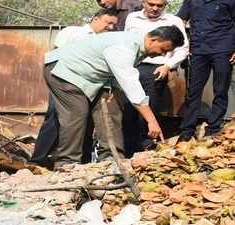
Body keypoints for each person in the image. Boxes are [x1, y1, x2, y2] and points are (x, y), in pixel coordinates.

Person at [41, 26, 184, 169]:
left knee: (112, 107)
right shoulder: (124, 47)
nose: (163, 55)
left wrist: (115, 89)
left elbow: (114, 70)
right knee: (77, 114)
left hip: (94, 78)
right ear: (153, 40)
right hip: (65, 71)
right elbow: (132, 86)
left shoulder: (137, 48)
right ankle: (67, 163)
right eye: (164, 50)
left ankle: (111, 158)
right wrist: (152, 121)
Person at [30, 8, 119, 167]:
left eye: (114, 24)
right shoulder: (72, 32)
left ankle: (81, 162)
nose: (111, 27)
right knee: (54, 117)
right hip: (67, 81)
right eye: (108, 23)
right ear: (95, 19)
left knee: (84, 121)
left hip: (92, 85)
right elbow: (57, 54)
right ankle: (39, 160)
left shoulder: (108, 40)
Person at [177, 0, 235, 141]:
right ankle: (187, 131)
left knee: (220, 90)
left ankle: (213, 129)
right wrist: (184, 44)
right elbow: (181, 20)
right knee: (193, 92)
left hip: (224, 48)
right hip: (198, 49)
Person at [124, 0, 189, 150]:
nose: (155, 8)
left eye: (160, 5)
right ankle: (129, 148)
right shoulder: (132, 18)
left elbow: (183, 49)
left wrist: (168, 65)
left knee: (149, 108)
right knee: (129, 108)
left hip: (156, 68)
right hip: (132, 67)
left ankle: (147, 146)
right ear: (143, 2)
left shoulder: (174, 21)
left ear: (166, 4)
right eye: (151, 4)